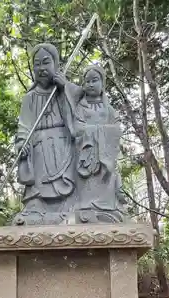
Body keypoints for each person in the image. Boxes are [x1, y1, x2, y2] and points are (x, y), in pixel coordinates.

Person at [14, 43, 82, 225]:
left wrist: (64, 88)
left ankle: (69, 209)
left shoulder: (66, 90)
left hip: (63, 144)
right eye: (37, 64)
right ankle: (36, 207)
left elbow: (81, 115)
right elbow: (24, 126)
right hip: (38, 147)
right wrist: (22, 143)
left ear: (56, 64)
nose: (42, 68)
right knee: (38, 186)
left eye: (46, 62)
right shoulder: (29, 98)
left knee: (68, 183)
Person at [74, 65, 126, 223]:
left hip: (105, 157)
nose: (90, 84)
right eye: (87, 81)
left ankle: (108, 209)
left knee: (107, 180)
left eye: (94, 80)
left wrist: (101, 132)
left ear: (102, 83)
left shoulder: (108, 109)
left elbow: (116, 129)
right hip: (87, 154)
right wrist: (95, 132)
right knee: (87, 183)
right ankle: (86, 208)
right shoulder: (80, 108)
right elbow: (76, 129)